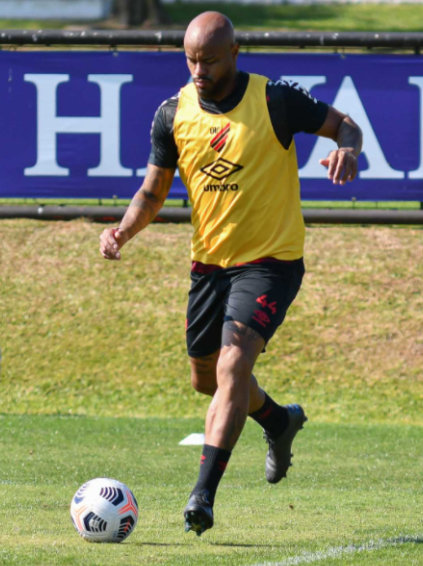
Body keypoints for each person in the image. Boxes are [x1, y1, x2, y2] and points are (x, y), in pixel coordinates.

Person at [99, 11, 363, 536]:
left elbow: (344, 124)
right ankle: (278, 420)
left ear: (235, 54)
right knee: (208, 379)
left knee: (233, 364)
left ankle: (202, 496)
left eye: (210, 60)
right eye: (192, 59)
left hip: (271, 261)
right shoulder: (174, 113)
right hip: (209, 266)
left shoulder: (274, 100)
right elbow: (153, 192)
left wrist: (347, 150)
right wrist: (123, 231)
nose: (199, 70)